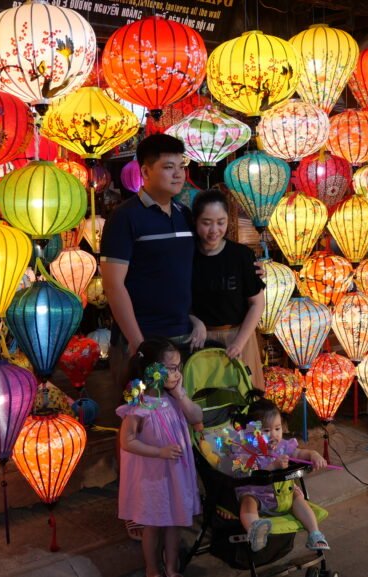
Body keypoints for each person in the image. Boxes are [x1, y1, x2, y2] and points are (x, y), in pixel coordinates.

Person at [101, 134, 196, 386]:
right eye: (168, 167)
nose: (178, 174)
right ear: (145, 171)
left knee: (182, 408)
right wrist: (138, 343)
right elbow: (113, 285)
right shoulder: (124, 217)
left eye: (181, 167)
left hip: (183, 336)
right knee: (144, 409)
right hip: (142, 339)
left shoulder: (184, 214)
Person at [117, 338, 204, 577]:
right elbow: (127, 441)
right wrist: (160, 452)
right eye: (171, 368)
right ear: (152, 370)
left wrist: (180, 394)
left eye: (179, 367)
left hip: (176, 475)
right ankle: (152, 569)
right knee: (153, 525)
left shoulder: (174, 398)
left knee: (175, 523)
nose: (177, 373)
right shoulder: (141, 403)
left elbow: (197, 417)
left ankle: (172, 568)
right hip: (154, 478)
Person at [188, 188, 266, 390]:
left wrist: (239, 343)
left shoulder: (241, 255)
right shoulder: (187, 257)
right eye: (206, 223)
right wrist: (194, 320)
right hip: (201, 342)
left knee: (244, 399)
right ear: (195, 221)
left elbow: (257, 304)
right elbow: (178, 299)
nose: (214, 230)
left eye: (221, 222)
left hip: (239, 339)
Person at [235, 392, 329, 553]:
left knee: (298, 498)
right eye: (266, 430)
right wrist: (272, 466)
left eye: (277, 428)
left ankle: (314, 533)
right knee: (247, 501)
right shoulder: (246, 451)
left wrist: (313, 455)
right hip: (257, 493)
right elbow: (247, 473)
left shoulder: (283, 446)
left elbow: (299, 453)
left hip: (283, 493)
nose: (274, 434)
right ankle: (256, 530)